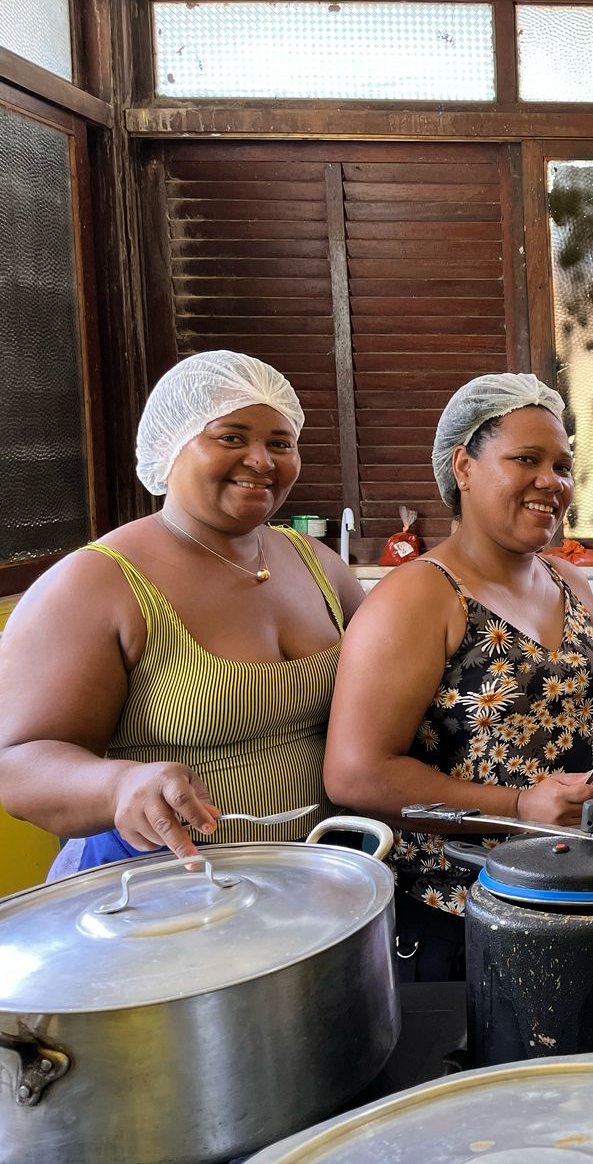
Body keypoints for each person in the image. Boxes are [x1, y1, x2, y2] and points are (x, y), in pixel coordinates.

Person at [324, 373, 593, 982]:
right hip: (464, 920)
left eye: (562, 465)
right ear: (463, 467)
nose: (552, 482)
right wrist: (518, 806)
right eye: (527, 459)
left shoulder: (568, 584)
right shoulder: (419, 595)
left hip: (582, 903)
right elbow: (356, 774)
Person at [0, 351, 365, 876]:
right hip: (157, 886)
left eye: (280, 443)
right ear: (172, 445)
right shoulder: (96, 583)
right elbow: (18, 767)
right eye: (231, 437)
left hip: (316, 879)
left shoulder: (317, 562)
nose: (262, 461)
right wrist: (121, 783)